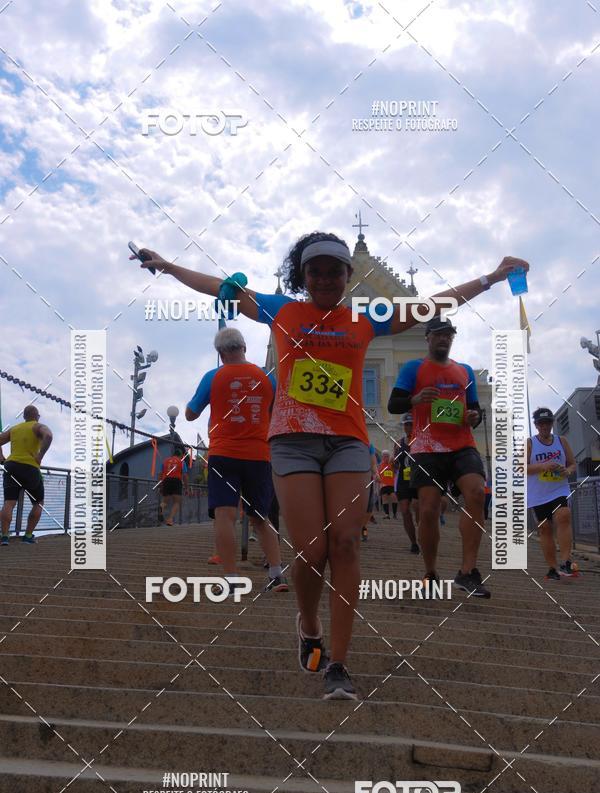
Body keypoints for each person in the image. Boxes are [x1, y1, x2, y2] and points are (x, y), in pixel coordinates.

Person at [134, 235, 527, 697]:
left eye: (334, 271)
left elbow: (434, 303)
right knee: (311, 552)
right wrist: (167, 266)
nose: (324, 278)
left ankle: (338, 663)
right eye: (315, 270)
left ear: (347, 276)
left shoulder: (365, 319)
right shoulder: (283, 310)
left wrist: (493, 277)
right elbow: (219, 287)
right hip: (293, 443)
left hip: (346, 443)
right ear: (302, 276)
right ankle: (307, 622)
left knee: (344, 544)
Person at [388, 316, 493, 598]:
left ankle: (468, 572)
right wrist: (415, 398)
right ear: (428, 338)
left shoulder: (465, 371)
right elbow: (394, 404)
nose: (444, 339)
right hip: (427, 446)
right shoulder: (414, 368)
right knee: (429, 509)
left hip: (462, 444)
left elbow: (474, 412)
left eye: (449, 335)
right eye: (438, 334)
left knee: (476, 493)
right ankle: (430, 571)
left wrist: (474, 416)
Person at [185, 327, 288, 595]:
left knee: (225, 515)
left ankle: (231, 580)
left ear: (220, 354)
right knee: (260, 517)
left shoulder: (213, 376)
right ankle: (276, 575)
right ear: (244, 347)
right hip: (258, 454)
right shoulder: (267, 378)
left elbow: (190, 415)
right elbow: (278, 411)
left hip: (223, 453)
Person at [527, 407, 577, 579]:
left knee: (564, 515)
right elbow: (521, 468)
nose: (544, 426)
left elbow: (572, 463)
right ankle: (552, 567)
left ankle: (565, 562)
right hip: (538, 494)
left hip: (559, 489)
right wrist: (542, 466)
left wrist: (568, 471)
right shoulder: (530, 443)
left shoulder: (561, 441)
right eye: (541, 423)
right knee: (545, 529)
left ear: (551, 424)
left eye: (547, 422)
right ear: (536, 425)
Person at [0, 405, 53, 545]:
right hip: (30, 467)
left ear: (24, 417)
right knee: (38, 503)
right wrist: (40, 455)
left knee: (9, 502)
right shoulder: (37, 426)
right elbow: (48, 435)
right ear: (37, 416)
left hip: (11, 466)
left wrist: (1, 456)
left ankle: (4, 537)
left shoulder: (14, 429)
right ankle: (28, 536)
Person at [394, 413, 420, 554]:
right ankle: (413, 542)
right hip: (404, 479)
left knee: (418, 508)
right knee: (404, 511)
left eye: (411, 424)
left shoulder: (421, 440)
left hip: (418, 479)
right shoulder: (398, 442)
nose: (408, 427)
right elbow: (396, 463)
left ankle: (423, 532)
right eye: (406, 424)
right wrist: (393, 463)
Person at [158, 445, 189, 525]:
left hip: (166, 481)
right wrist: (186, 488)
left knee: (165, 501)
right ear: (181, 455)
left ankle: (161, 509)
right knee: (177, 502)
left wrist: (160, 486)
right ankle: (170, 519)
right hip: (176, 480)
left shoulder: (165, 461)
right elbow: (185, 476)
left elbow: (160, 474)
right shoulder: (181, 462)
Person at [361, 443, 380, 541]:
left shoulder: (369, 445)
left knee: (368, 508)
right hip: (353, 479)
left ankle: (363, 529)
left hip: (367, 478)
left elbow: (373, 463)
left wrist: (376, 473)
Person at [378, 450, 398, 519]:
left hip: (392, 485)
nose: (385, 457)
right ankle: (387, 514)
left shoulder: (392, 464)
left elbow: (396, 469)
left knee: (394, 498)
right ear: (382, 457)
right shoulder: (380, 465)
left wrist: (393, 460)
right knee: (384, 499)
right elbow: (378, 474)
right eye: (384, 456)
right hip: (383, 485)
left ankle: (394, 514)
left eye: (387, 456)